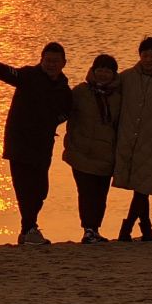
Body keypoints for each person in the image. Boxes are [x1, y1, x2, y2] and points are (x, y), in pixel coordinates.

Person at [0, 42, 73, 245]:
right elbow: (9, 73)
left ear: (64, 63)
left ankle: (28, 229)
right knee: (24, 189)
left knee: (40, 190)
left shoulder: (63, 88)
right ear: (41, 60)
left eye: (55, 61)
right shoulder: (29, 76)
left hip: (42, 145)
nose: (51, 64)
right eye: (48, 60)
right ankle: (29, 230)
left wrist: (52, 120)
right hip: (19, 142)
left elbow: (67, 112)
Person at [112, 36, 152, 241]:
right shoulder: (127, 77)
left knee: (144, 187)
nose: (149, 59)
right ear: (140, 55)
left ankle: (129, 227)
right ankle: (144, 227)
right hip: (129, 139)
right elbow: (109, 94)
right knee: (141, 187)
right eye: (145, 55)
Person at [61, 53, 122, 244]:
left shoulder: (118, 96)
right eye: (100, 70)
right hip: (82, 152)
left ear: (113, 74)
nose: (103, 74)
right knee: (86, 192)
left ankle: (95, 229)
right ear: (93, 71)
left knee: (101, 194)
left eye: (107, 70)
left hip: (106, 154)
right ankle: (88, 229)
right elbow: (63, 112)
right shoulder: (80, 92)